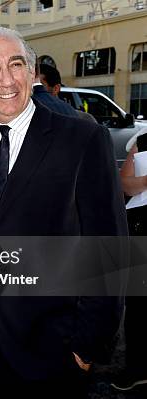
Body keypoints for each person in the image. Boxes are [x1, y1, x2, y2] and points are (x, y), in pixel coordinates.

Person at [0, 27, 127, 398]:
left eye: (17, 64)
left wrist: (87, 345)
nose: (7, 79)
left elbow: (108, 247)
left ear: (33, 73)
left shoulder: (81, 139)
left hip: (53, 352)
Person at [112, 128, 147, 392]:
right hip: (142, 229)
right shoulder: (144, 140)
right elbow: (125, 184)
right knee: (139, 304)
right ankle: (138, 369)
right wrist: (146, 180)